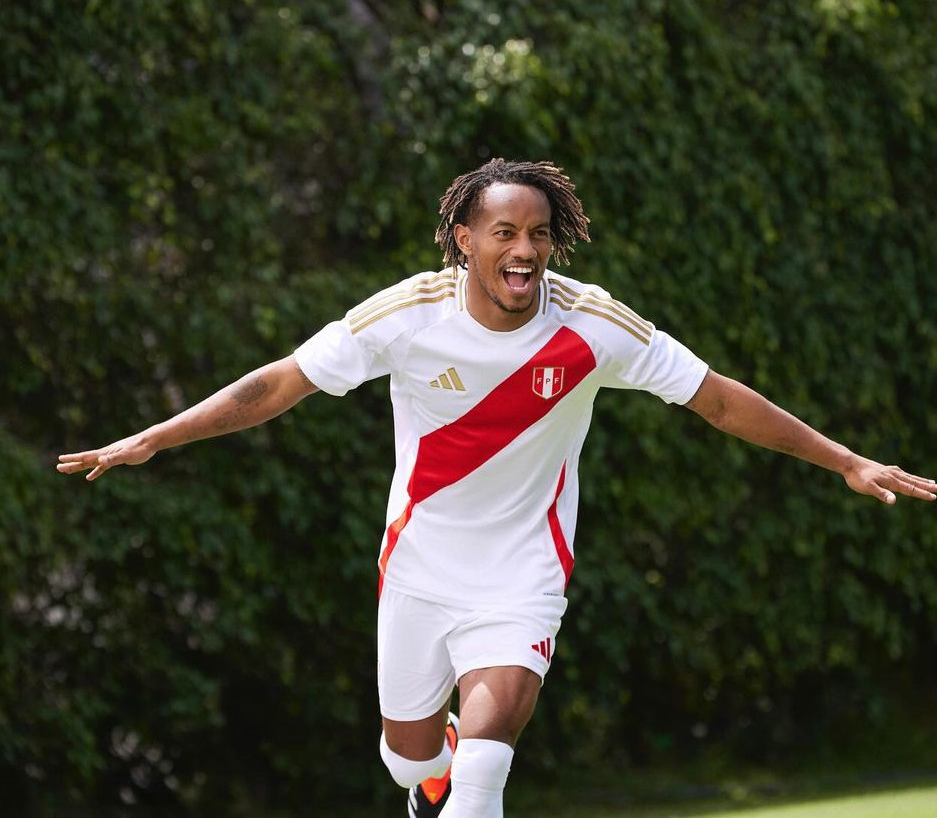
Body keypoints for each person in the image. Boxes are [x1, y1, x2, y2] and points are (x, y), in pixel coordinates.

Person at [57, 158, 935, 818]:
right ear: (463, 239)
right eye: (505, 233)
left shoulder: (593, 326)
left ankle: (458, 777)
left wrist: (844, 458)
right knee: (411, 761)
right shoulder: (402, 317)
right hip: (418, 567)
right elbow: (277, 385)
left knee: (484, 766)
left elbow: (715, 399)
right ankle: (423, 771)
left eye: (539, 233)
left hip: (522, 576)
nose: (525, 251)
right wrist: (156, 436)